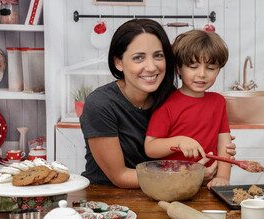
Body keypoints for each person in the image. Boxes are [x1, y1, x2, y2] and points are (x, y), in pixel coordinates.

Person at [80, 19, 236, 189]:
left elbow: (205, 136)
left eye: (158, 56)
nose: (151, 67)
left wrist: (215, 146)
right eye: (138, 58)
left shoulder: (167, 95)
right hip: (108, 196)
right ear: (119, 62)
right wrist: (189, 177)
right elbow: (120, 176)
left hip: (164, 193)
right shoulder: (100, 105)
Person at [144, 29, 231, 189]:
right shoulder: (167, 104)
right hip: (173, 184)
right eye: (193, 66)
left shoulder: (218, 102)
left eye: (211, 68)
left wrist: (223, 177)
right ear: (178, 68)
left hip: (208, 183)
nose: (202, 74)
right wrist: (179, 141)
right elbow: (150, 148)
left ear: (219, 70)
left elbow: (224, 142)